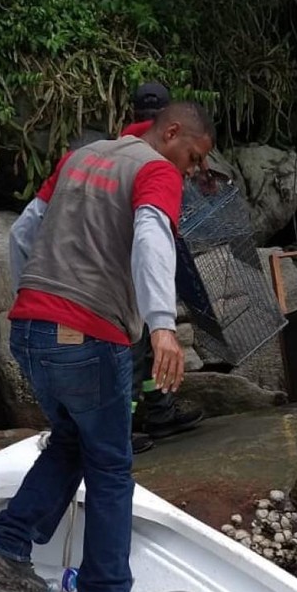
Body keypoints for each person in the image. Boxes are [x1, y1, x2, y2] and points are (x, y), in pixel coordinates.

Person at [0, 102, 215, 592]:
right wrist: (162, 326)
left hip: (30, 329)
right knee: (110, 466)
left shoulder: (82, 156)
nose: (192, 170)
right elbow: (153, 237)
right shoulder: (155, 170)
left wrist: (35, 298)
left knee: (72, 441)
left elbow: (22, 232)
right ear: (171, 132)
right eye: (194, 157)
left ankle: (8, 542)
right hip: (87, 333)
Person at [121, 82, 204, 450]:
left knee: (146, 347)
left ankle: (158, 412)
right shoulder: (161, 154)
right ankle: (123, 427)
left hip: (135, 260)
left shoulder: (123, 143)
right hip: (137, 264)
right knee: (139, 347)